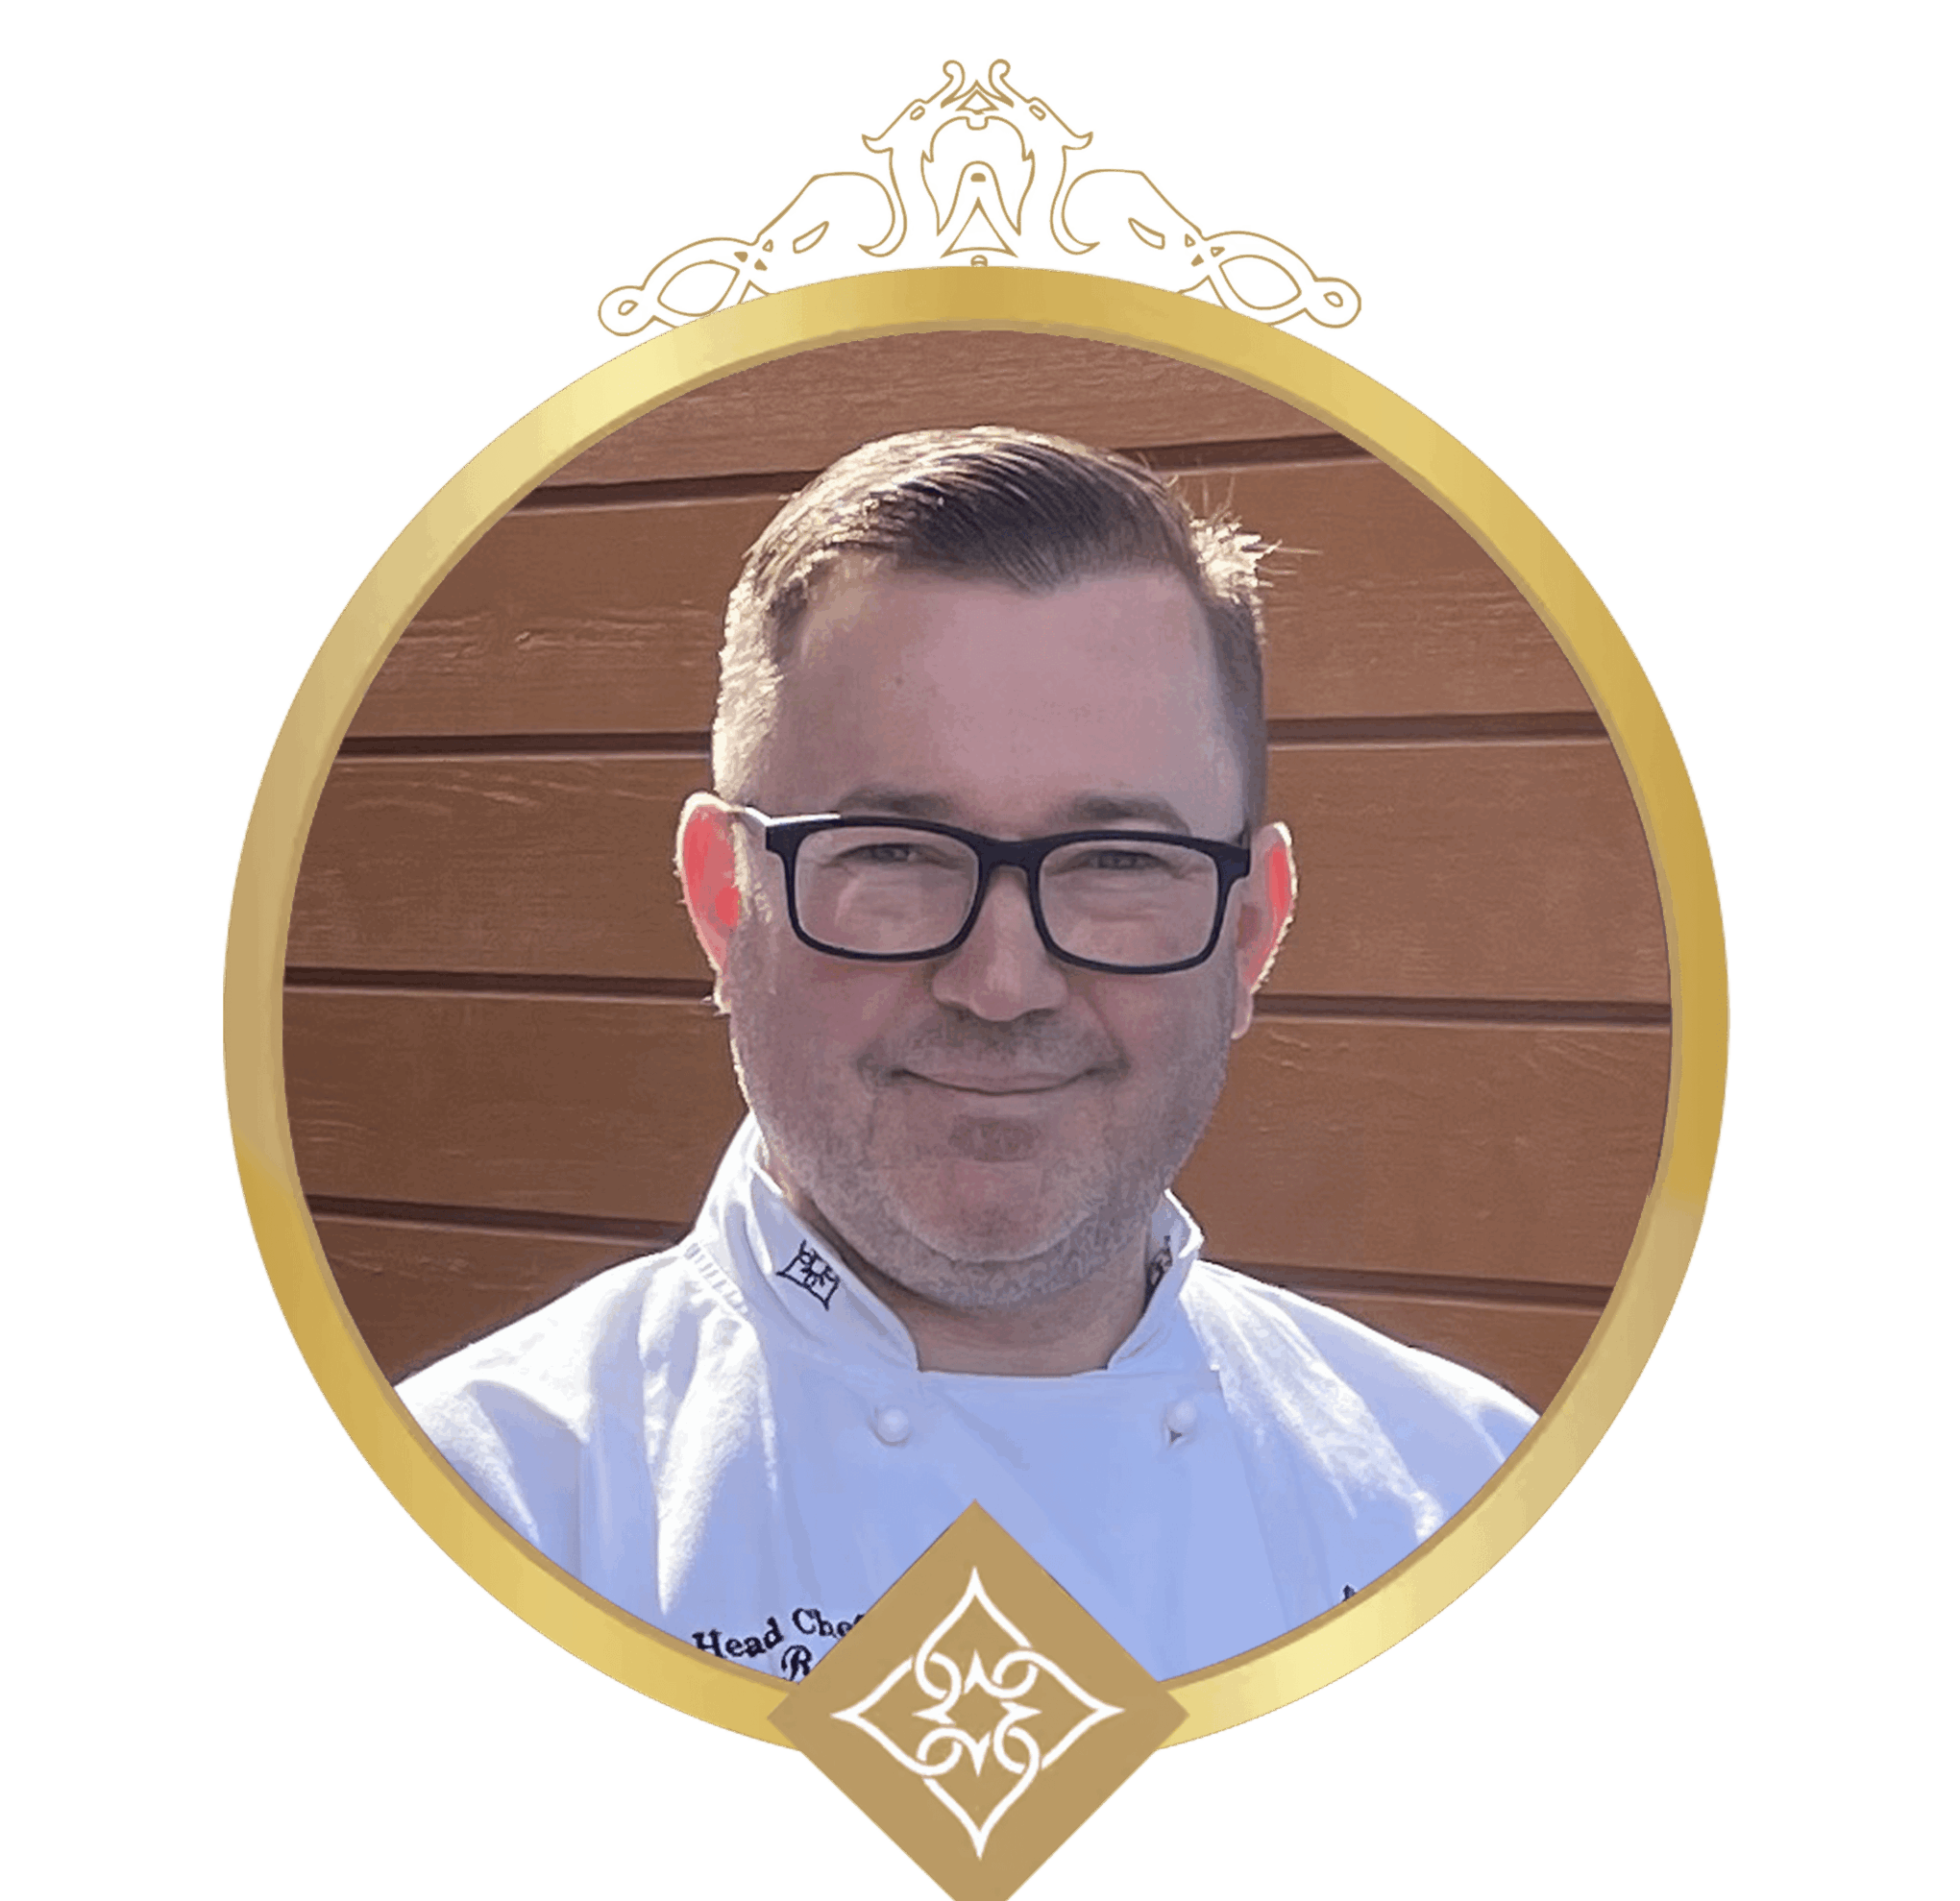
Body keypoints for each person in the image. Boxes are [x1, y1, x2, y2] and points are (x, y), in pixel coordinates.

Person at [401, 427, 1535, 1683]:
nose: (1002, 985)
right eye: (893, 854)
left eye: (1117, 863)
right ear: (724, 901)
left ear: (1250, 933)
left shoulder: (1473, 1504)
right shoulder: (459, 1531)